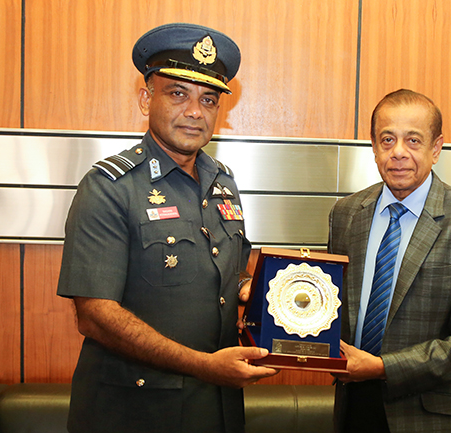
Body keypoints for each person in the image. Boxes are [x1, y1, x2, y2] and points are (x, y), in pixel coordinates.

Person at [57, 23, 277, 433]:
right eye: (178, 93)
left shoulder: (223, 183)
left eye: (209, 99)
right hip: (135, 411)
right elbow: (95, 316)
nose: (195, 112)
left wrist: (252, 289)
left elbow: (226, 275)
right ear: (146, 98)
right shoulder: (109, 188)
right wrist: (204, 366)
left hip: (217, 407)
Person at [328, 89, 451, 433]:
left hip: (431, 418)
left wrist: (383, 367)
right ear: (373, 145)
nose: (398, 153)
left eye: (413, 140)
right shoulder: (346, 215)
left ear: (436, 148)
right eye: (387, 139)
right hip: (353, 409)